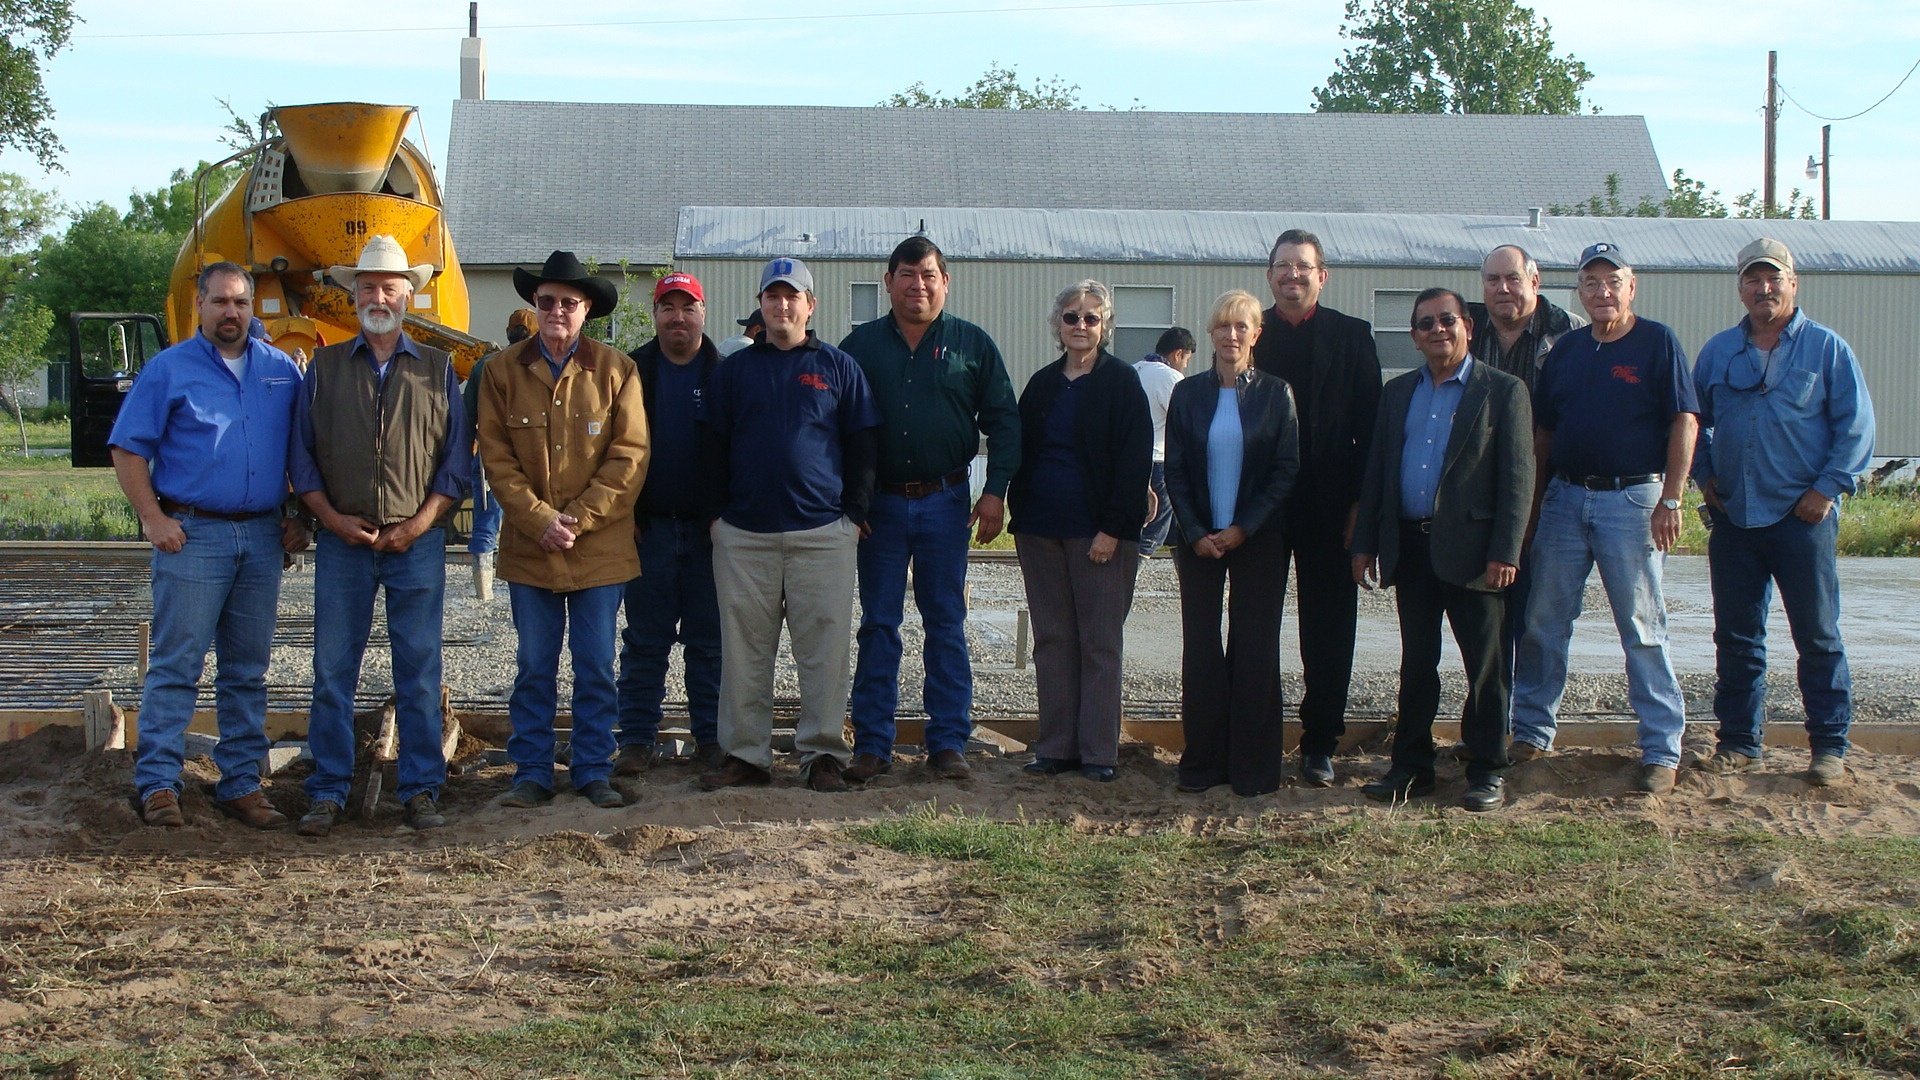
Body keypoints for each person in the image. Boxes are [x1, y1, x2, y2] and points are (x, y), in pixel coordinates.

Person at [107, 261, 308, 829]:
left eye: (241, 303)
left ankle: (241, 782)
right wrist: (152, 518)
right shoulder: (169, 370)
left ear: (251, 308)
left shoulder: (279, 372)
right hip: (193, 535)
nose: (231, 312)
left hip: (263, 536)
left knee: (247, 670)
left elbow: (301, 454)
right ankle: (160, 784)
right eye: (220, 302)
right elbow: (127, 450)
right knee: (176, 665)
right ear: (199, 305)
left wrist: (299, 518)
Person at [289, 236, 471, 836]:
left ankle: (422, 790)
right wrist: (331, 519)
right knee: (331, 670)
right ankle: (327, 790)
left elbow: (454, 464)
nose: (378, 296)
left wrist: (420, 524)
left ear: (408, 295)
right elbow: (303, 459)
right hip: (343, 544)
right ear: (353, 294)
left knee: (418, 670)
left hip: (414, 545)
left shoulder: (439, 371)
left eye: (390, 286)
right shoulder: (323, 370)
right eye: (367, 286)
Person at [1511, 243, 1700, 795]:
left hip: (1633, 501)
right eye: (1591, 283)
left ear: (1631, 285)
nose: (1602, 292)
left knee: (1642, 627)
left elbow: (1684, 421)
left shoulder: (1656, 342)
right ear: (1579, 292)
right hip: (1566, 500)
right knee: (1544, 623)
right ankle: (1531, 731)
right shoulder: (1566, 350)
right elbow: (1544, 434)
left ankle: (1662, 748)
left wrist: (1672, 498)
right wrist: (1535, 505)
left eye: (1611, 281)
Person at [1691, 238, 1875, 786]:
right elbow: (1691, 421)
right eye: (1752, 279)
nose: (1763, 288)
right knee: (1737, 638)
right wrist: (1703, 477)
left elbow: (1856, 428)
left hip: (1803, 520)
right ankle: (1740, 743)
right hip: (1735, 520)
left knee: (1817, 637)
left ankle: (1829, 748)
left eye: (1773, 278)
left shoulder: (1827, 349)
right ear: (1740, 287)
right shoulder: (1719, 351)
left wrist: (1826, 490)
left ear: (1793, 283)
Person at [841, 236, 1020, 783]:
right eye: (906, 275)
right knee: (878, 625)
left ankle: (947, 742)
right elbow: (836, 427)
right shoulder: (859, 347)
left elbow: (1006, 421)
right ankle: (873, 743)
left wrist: (996, 492)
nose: (917, 285)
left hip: (946, 504)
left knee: (946, 622)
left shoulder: (973, 345)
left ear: (945, 282)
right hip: (881, 510)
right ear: (888, 281)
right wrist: (852, 500)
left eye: (928, 275)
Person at [477, 251, 649, 811]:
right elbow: (497, 460)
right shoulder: (502, 372)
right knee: (534, 664)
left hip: (599, 549)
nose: (557, 310)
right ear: (534, 305)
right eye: (547, 301)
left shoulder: (618, 370)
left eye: (568, 303)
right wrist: (539, 520)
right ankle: (530, 772)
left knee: (596, 663)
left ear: (587, 310)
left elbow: (630, 457)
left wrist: (574, 519)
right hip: (531, 549)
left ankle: (593, 768)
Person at [700, 257, 879, 793]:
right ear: (760, 304)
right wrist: (716, 519)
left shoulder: (838, 367)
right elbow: (711, 448)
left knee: (824, 651)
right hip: (744, 537)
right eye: (772, 296)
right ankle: (746, 756)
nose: (782, 305)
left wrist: (855, 514)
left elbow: (864, 444)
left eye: (792, 296)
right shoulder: (734, 371)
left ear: (810, 305)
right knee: (744, 652)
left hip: (822, 534)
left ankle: (822, 754)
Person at [1352, 289, 1533, 812]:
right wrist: (1365, 543)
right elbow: (1379, 474)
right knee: (1418, 663)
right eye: (1425, 323)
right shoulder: (1398, 394)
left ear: (1468, 327)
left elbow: (1519, 479)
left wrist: (1507, 551)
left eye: (1447, 320)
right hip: (1410, 547)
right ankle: (1411, 767)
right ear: (1414, 335)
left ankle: (1486, 769)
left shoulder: (1503, 391)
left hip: (1477, 553)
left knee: (1486, 665)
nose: (1437, 330)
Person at [1008, 280, 1153, 783]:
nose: (1081, 326)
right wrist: (1015, 513)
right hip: (1040, 531)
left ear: (1105, 325)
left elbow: (1135, 462)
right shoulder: (1043, 384)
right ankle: (1055, 747)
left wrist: (1114, 528)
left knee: (1099, 643)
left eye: (1092, 318)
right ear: (1058, 324)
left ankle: (1098, 752)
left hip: (1100, 536)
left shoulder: (1122, 384)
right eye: (1072, 317)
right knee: (1051, 640)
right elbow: (1021, 451)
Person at [1251, 229, 1380, 787]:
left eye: (1303, 267)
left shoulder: (1352, 337)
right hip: (1261, 508)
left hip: (1331, 506)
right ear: (1270, 275)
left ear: (1321, 276)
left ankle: (1320, 740)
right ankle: (1255, 735)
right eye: (1283, 266)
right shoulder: (1249, 333)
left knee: (1327, 629)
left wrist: (1361, 509)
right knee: (1257, 625)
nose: (1292, 276)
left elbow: (1373, 434)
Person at [1164, 292, 1298, 796]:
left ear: (1257, 333)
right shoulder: (1188, 394)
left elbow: (1286, 470)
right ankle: (1202, 763)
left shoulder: (1276, 393)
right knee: (1201, 650)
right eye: (1222, 326)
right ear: (1211, 334)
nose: (1231, 335)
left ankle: (1254, 769)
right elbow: (1174, 468)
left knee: (1255, 650)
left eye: (1242, 326)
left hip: (1258, 539)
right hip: (1197, 540)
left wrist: (1245, 526)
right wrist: (1196, 531)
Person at [614, 271, 726, 774]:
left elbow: (740, 453)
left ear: (704, 313)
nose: (678, 317)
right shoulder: (630, 372)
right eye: (668, 307)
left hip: (709, 535)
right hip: (649, 531)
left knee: (710, 644)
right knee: (645, 642)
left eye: (688, 307)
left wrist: (727, 517)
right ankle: (637, 739)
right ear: (655, 314)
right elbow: (610, 452)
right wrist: (626, 515)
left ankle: (711, 740)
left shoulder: (725, 374)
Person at [1468, 245, 1587, 673]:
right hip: (1479, 495)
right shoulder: (1465, 328)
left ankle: (1531, 725)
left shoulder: (1570, 334)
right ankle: (1492, 724)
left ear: (1534, 282)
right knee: (1485, 618)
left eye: (1513, 278)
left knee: (1539, 616)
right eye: (1493, 280)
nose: (1503, 288)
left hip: (1550, 491)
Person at [464, 308, 537, 600]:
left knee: (487, 518)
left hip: (489, 455)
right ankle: (527, 583)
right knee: (530, 517)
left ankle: (484, 591)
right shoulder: (537, 364)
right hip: (527, 454)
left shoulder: (484, 365)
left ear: (508, 333)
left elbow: (467, 414)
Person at [1137, 326, 1194, 557]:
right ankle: (1127, 584)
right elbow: (1185, 422)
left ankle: (1189, 590)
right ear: (1178, 353)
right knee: (1153, 531)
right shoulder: (1170, 377)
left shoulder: (1134, 369)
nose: (1186, 365)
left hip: (1134, 460)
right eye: (1187, 359)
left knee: (1176, 533)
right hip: (1158, 462)